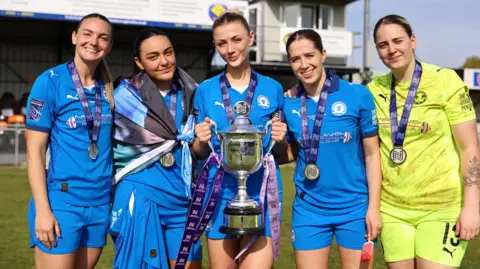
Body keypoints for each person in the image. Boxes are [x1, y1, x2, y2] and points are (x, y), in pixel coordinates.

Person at [367, 14, 480, 269]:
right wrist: (299, 91)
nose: (391, 49)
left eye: (398, 41)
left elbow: (470, 147)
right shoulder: (374, 89)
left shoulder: (446, 81)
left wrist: (472, 206)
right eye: (383, 45)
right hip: (393, 209)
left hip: (441, 208)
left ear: (413, 41)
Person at [193, 11, 288, 269]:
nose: (230, 49)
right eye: (222, 43)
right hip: (219, 194)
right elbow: (199, 152)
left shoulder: (273, 88)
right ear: (215, 45)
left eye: (237, 40)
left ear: (251, 38)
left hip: (262, 194)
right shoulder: (205, 90)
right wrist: (199, 140)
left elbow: (279, 150)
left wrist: (280, 138)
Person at [282, 29, 382, 269]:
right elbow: (289, 153)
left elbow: (372, 154)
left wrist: (374, 208)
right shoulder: (288, 103)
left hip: (355, 208)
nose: (304, 64)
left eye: (309, 55)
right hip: (309, 210)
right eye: (296, 59)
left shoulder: (357, 94)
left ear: (323, 54)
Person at [26, 13, 114, 269]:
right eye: (87, 34)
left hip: (99, 204)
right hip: (62, 202)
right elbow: (34, 152)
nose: (94, 41)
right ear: (75, 37)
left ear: (108, 46)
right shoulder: (50, 82)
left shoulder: (108, 88)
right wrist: (43, 210)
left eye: (102, 37)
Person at [108, 28, 202, 269]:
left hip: (183, 201)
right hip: (142, 196)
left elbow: (200, 150)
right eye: (153, 56)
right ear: (139, 62)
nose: (164, 61)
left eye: (168, 53)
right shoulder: (122, 98)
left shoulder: (194, 93)